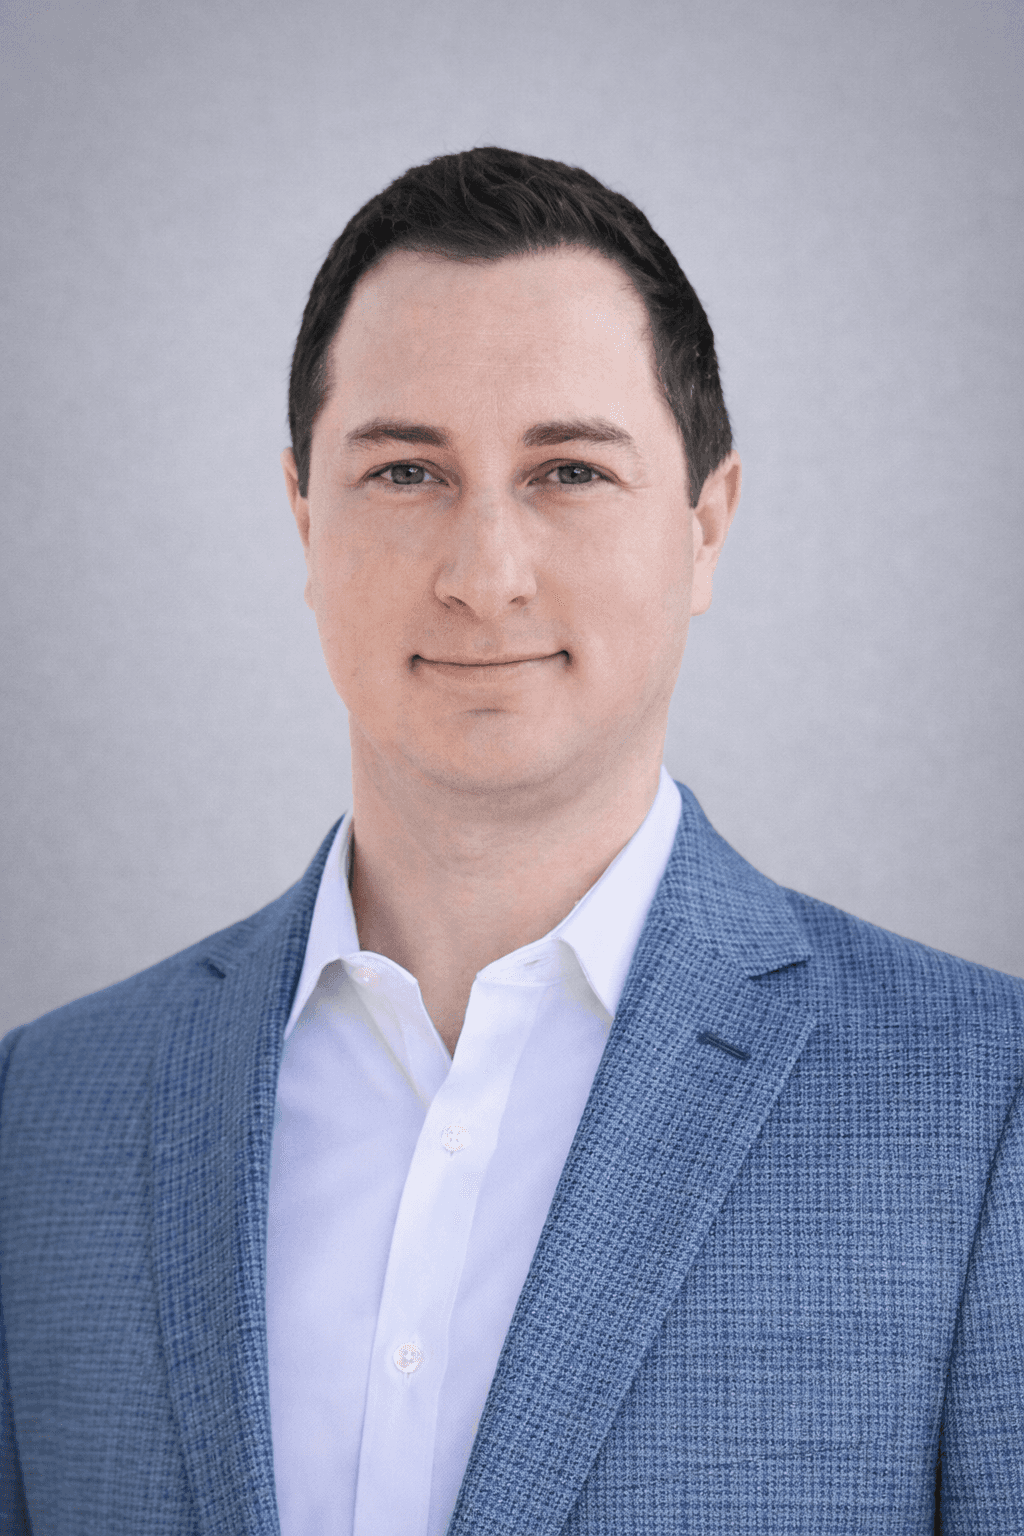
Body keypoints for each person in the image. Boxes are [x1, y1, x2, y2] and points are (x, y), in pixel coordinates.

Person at [1, 147, 1021, 1536]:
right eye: (407, 468)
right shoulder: (43, 1112)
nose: (486, 573)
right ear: (304, 516)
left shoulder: (981, 1112)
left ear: (707, 525)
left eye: (570, 471)